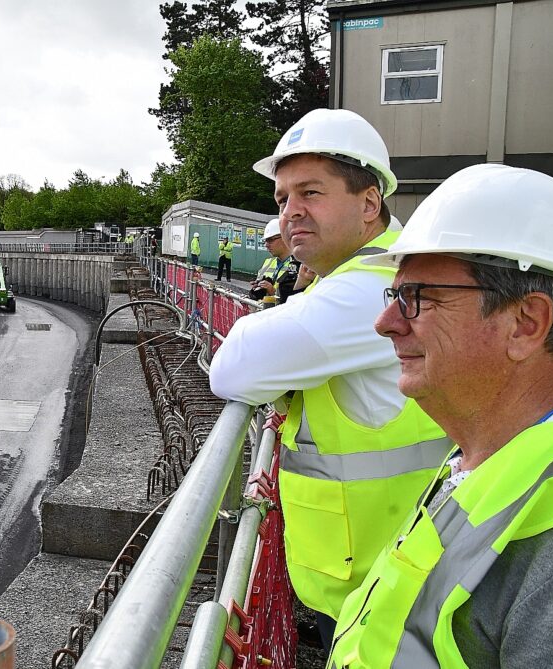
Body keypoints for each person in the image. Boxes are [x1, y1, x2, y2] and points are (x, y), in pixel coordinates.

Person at [209, 108, 450, 647]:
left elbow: (232, 368)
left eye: (310, 193)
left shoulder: (371, 290)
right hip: (379, 576)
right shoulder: (363, 277)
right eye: (282, 199)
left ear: (369, 203)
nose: (291, 212)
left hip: (379, 592)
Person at [328, 164, 553, 668]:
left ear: (526, 323)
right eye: (394, 295)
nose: (384, 323)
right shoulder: (490, 456)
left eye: (417, 297)